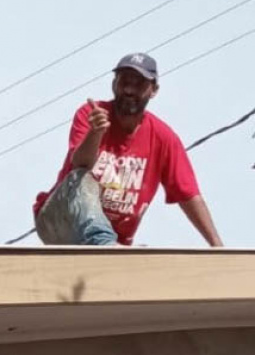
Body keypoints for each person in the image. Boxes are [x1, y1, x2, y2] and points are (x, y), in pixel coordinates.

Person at [33, 53, 223, 247]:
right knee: (81, 178)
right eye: (124, 81)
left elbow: (188, 194)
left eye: (139, 84)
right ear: (114, 83)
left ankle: (110, 250)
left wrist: (217, 246)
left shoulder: (163, 137)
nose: (129, 90)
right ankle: (105, 244)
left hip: (115, 242)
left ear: (154, 90)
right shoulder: (92, 113)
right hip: (59, 220)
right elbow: (79, 164)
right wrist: (96, 132)